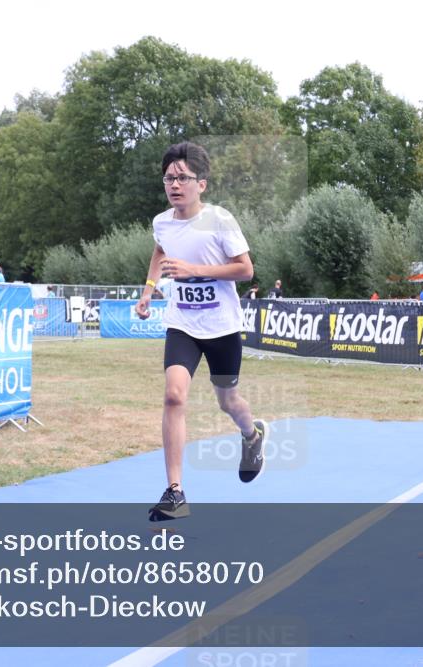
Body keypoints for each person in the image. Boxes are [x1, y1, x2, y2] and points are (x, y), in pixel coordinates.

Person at [134, 141, 266, 522]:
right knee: (174, 396)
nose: (174, 185)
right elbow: (160, 251)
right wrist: (148, 290)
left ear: (201, 184)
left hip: (222, 327)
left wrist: (195, 270)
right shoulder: (162, 222)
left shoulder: (220, 221)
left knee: (228, 401)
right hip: (183, 325)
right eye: (168, 179)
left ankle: (252, 434)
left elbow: (245, 270)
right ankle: (175, 493)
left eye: (182, 178)